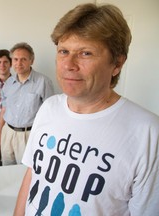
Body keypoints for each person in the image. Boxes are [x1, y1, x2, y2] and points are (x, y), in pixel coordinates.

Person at [14, 3, 159, 216]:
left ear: (117, 63)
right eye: (64, 51)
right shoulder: (49, 107)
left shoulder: (148, 133)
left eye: (86, 53)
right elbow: (32, 175)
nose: (68, 64)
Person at [0, 42, 54, 166]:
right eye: (15, 59)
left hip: (28, 135)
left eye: (23, 59)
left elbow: (50, 114)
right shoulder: (8, 83)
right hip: (7, 133)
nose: (18, 63)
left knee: (25, 171)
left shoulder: (43, 82)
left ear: (31, 60)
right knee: (7, 168)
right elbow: (4, 110)